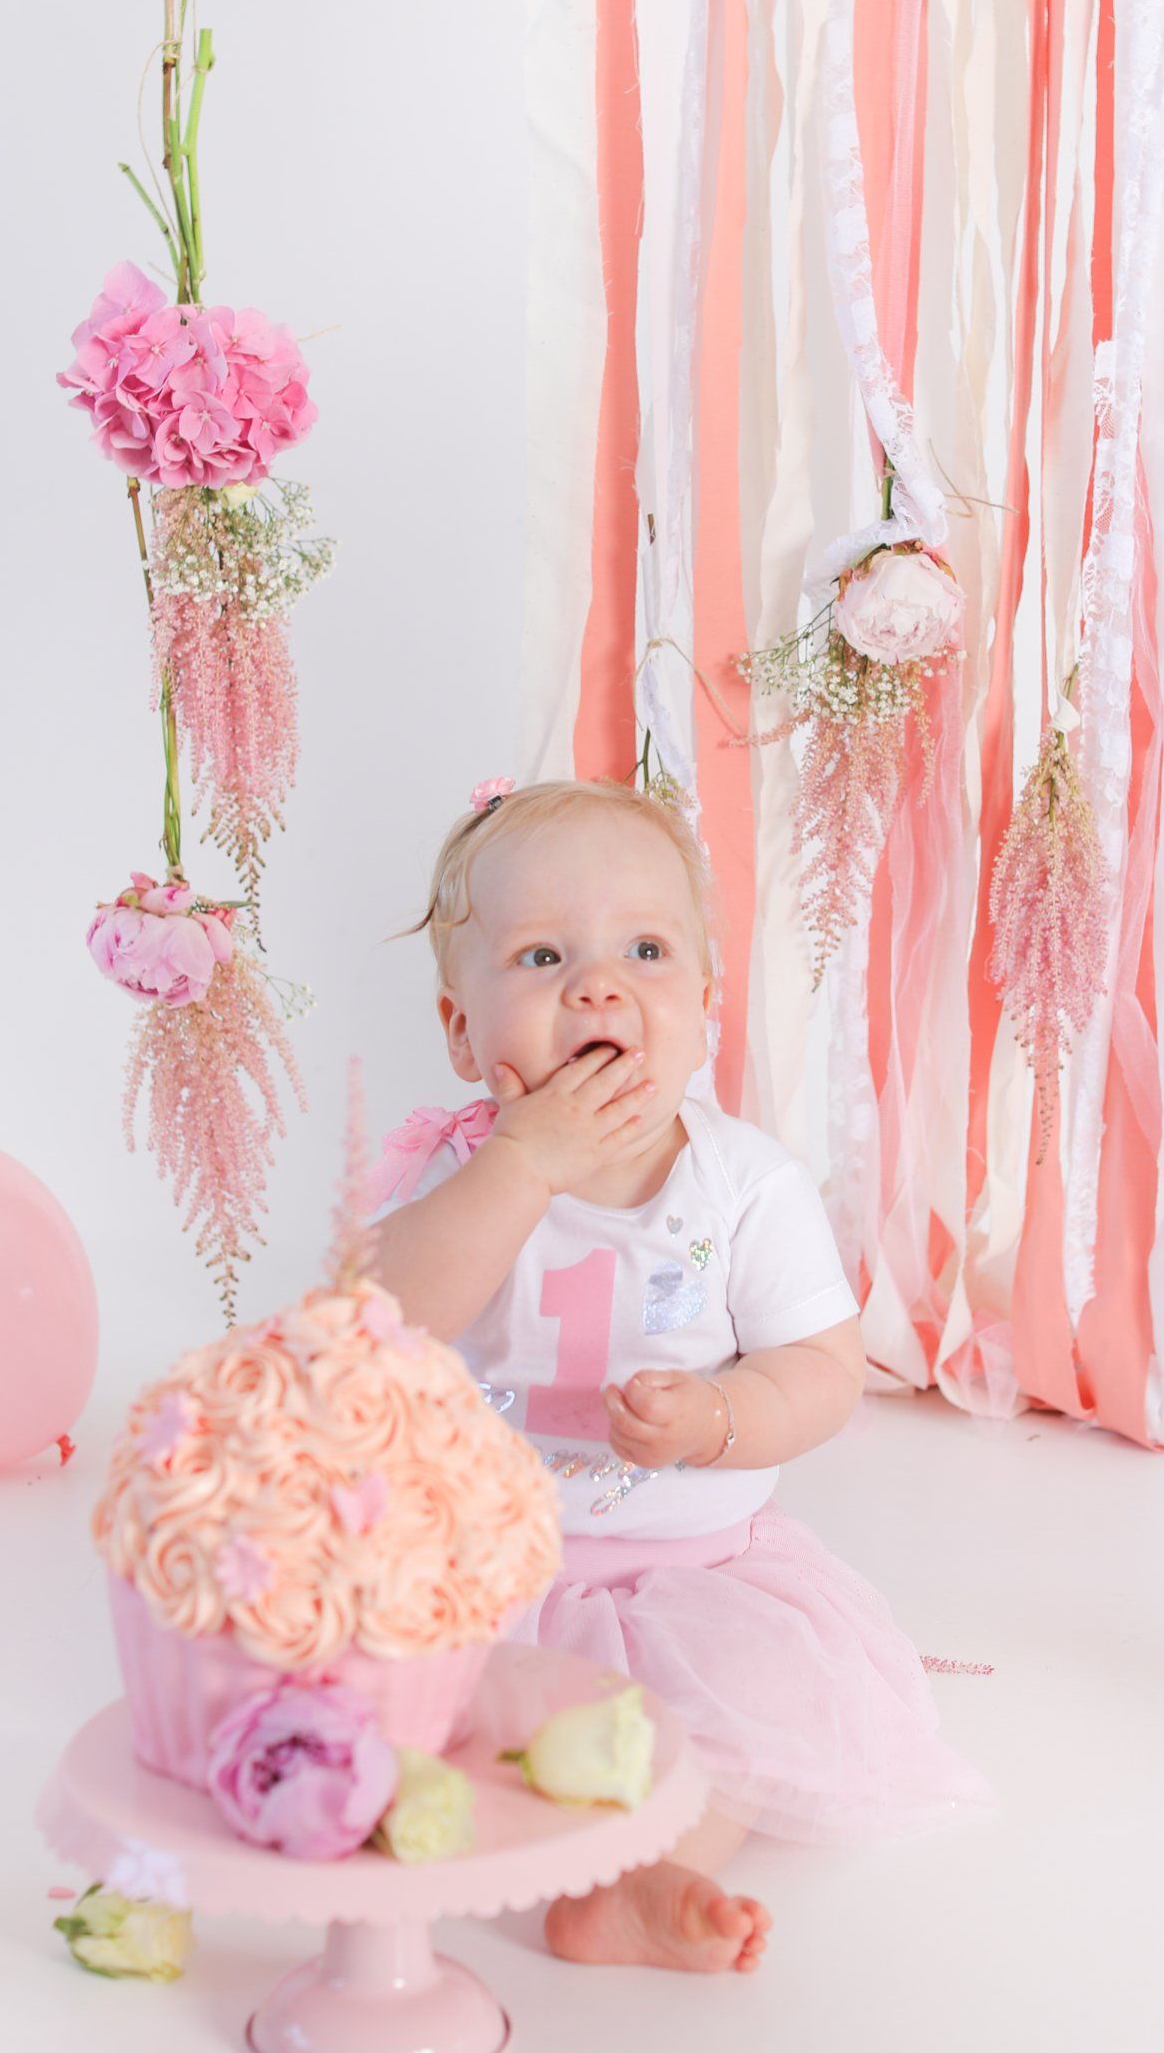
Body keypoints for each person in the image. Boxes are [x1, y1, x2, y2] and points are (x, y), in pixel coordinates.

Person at [369, 776, 987, 1973]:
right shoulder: (460, 1178)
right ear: (461, 1031)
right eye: (542, 956)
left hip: (694, 1570)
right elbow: (375, 1322)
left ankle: (645, 1873)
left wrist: (719, 1415)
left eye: (644, 951)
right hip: (476, 1569)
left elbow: (822, 1366)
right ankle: (484, 1823)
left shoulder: (743, 1188)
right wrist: (522, 1167)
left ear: (704, 1009)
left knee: (760, 1703)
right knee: (382, 1692)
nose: (597, 988)